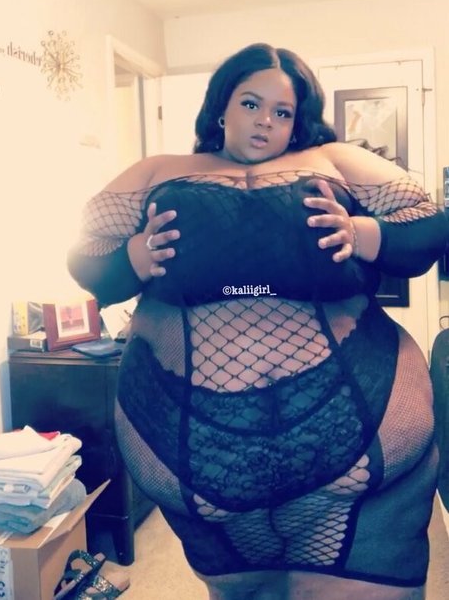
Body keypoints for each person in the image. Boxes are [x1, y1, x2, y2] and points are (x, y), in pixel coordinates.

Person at [68, 43, 449, 600]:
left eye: (282, 111)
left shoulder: (332, 159)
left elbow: (428, 224)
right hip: (195, 456)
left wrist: (364, 233)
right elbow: (85, 253)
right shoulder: (160, 170)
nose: (265, 121)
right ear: (222, 106)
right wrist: (134, 257)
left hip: (364, 426)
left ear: (297, 121)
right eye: (251, 103)